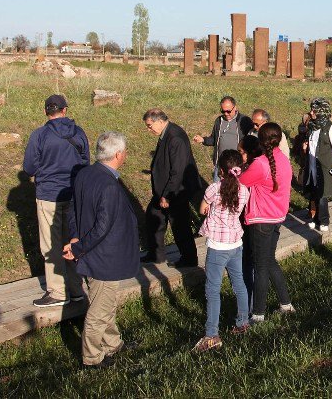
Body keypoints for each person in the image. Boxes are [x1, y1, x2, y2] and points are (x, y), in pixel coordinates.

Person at [63, 131, 138, 369]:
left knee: (105, 302)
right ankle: (92, 357)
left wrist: (75, 236)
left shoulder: (86, 173)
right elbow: (102, 228)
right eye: (125, 152)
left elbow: (73, 208)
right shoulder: (109, 186)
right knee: (99, 311)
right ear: (118, 154)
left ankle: (113, 343)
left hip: (92, 253)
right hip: (104, 257)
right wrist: (78, 248)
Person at [22, 94, 90, 308]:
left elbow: (29, 168)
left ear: (45, 111)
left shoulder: (39, 135)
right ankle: (76, 289)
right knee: (71, 240)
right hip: (73, 194)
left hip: (49, 195)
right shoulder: (79, 133)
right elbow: (86, 163)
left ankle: (58, 292)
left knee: (51, 245)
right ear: (65, 110)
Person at [193, 150, 250, 353]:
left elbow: (202, 209)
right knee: (239, 284)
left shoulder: (213, 189)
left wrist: (209, 210)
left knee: (212, 290)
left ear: (221, 171)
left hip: (217, 246)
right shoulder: (244, 191)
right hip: (235, 243)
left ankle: (212, 335)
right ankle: (243, 322)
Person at [238, 122, 295, 322]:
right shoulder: (284, 160)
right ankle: (286, 304)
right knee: (269, 261)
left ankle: (259, 314)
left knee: (260, 266)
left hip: (261, 220)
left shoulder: (260, 164)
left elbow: (241, 182)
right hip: (277, 218)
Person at [141, 109, 204, 268]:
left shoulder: (175, 137)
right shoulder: (166, 133)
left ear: (159, 121)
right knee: (153, 218)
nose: (148, 129)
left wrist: (167, 195)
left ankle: (189, 259)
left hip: (176, 191)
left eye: (149, 126)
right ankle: (156, 254)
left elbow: (178, 170)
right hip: (164, 190)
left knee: (180, 225)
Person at [300, 98, 332, 231]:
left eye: (314, 110)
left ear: (321, 111)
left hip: (324, 164)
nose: (311, 112)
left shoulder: (330, 127)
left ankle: (324, 220)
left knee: (322, 194)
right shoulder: (311, 126)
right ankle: (313, 217)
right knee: (312, 192)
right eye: (311, 109)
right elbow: (310, 142)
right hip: (311, 163)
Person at [193, 96, 254, 167]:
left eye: (228, 111)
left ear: (235, 108)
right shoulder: (219, 121)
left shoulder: (245, 121)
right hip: (220, 165)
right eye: (223, 111)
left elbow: (251, 143)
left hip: (238, 165)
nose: (226, 114)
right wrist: (203, 140)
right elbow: (214, 139)